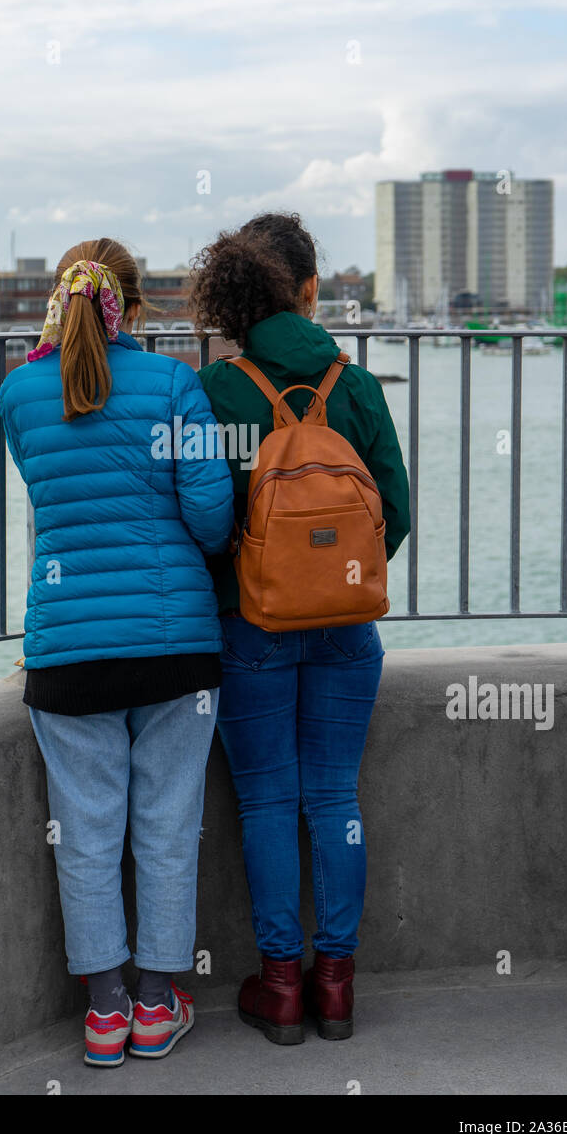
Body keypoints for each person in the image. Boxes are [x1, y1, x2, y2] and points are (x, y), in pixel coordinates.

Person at [0, 238, 234, 1067]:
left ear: (59, 305)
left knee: (87, 833)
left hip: (66, 652)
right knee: (168, 828)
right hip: (175, 651)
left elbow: (46, 487)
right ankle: (160, 1002)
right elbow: (210, 520)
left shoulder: (19, 392)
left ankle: (104, 1011)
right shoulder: (179, 387)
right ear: (134, 308)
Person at [194, 212, 411, 1044]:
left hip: (250, 627)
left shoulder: (218, 391)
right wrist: (339, 581)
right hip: (348, 631)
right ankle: (337, 986)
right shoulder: (354, 386)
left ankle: (280, 988)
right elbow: (393, 510)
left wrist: (260, 580)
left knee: (266, 802)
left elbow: (204, 518)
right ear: (310, 291)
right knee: (333, 797)